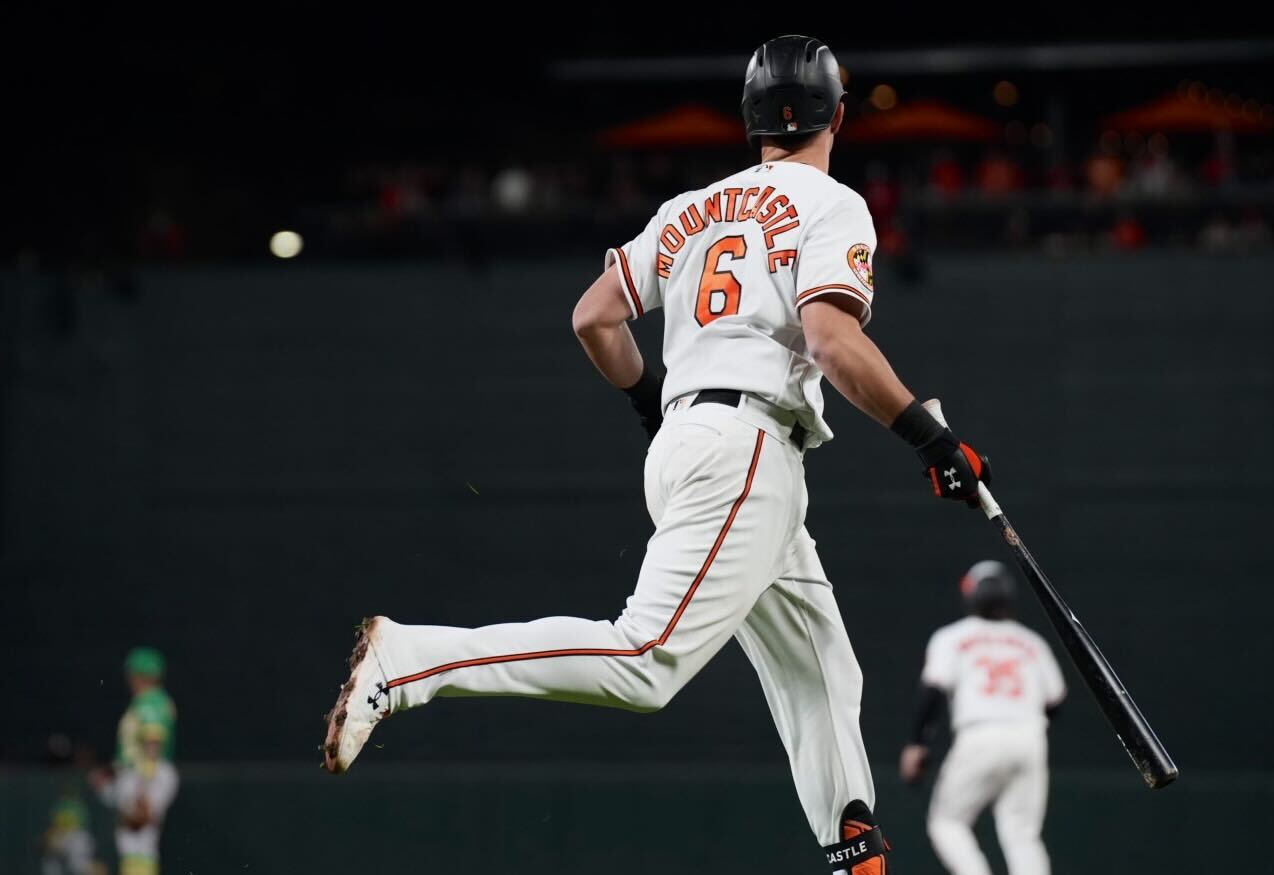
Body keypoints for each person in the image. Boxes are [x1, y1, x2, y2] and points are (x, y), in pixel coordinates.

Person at [322, 35, 990, 875]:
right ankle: (414, 660)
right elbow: (830, 339)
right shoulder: (833, 204)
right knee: (645, 661)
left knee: (822, 668)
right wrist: (931, 440)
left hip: (695, 444)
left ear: (751, 121)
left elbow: (594, 318)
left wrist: (653, 402)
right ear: (839, 115)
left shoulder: (688, 208)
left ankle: (853, 849)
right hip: (747, 449)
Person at [899, 561, 1066, 875]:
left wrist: (917, 743)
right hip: (1029, 735)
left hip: (979, 735)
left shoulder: (952, 637)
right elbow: (1055, 701)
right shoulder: (1032, 643)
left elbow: (933, 690)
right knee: (1022, 835)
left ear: (971, 595)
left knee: (947, 821)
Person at [92, 722, 179, 875]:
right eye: (148, 742)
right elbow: (114, 796)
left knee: (146, 855)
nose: (152, 747)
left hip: (149, 828)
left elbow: (158, 805)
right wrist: (103, 788)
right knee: (129, 856)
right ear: (141, 743)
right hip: (126, 828)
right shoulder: (128, 768)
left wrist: (145, 804)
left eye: (156, 743)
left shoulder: (166, 772)